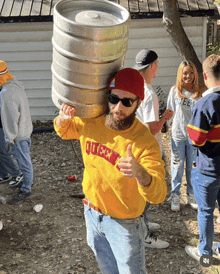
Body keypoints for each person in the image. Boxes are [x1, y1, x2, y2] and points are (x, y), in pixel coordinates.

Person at [54, 68, 167, 274]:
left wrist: (140, 172)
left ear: (139, 103)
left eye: (127, 102)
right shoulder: (91, 120)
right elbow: (65, 130)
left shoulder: (144, 142)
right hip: (92, 214)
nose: (117, 107)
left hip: (125, 224)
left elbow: (159, 193)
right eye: (114, 98)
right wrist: (62, 119)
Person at [133, 49, 173, 249]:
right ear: (151, 66)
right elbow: (151, 129)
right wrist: (165, 117)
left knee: (140, 192)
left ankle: (144, 224)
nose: (157, 69)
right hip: (147, 151)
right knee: (146, 193)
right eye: (156, 65)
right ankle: (144, 235)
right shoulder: (149, 94)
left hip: (134, 147)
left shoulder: (133, 87)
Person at [185, 54, 220, 262]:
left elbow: (196, 138)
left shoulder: (204, 103)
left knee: (206, 212)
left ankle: (205, 252)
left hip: (207, 169)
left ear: (205, 75)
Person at [167, 61, 206, 212]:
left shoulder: (200, 92)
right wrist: (167, 125)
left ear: (195, 74)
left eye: (191, 73)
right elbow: (170, 111)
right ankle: (175, 195)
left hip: (193, 137)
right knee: (177, 166)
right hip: (178, 135)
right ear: (180, 75)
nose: (188, 76)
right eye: (185, 73)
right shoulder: (175, 91)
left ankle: (191, 194)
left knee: (192, 167)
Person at [0, 60, 33, 205]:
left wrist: (10, 138)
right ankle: (26, 185)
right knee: (25, 161)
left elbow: (11, 118)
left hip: (18, 135)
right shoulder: (16, 85)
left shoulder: (6, 93)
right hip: (26, 130)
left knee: (24, 163)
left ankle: (26, 190)